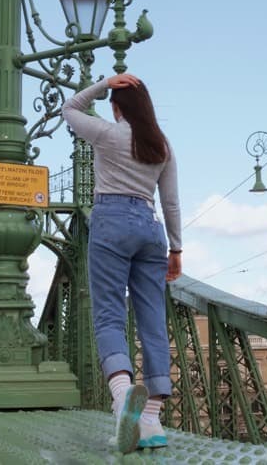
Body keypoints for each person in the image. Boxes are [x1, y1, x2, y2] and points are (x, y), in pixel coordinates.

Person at [62, 73, 182, 454]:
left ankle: (121, 395)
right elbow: (172, 202)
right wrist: (176, 249)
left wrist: (102, 83)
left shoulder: (107, 134)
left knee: (110, 315)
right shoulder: (160, 144)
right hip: (151, 228)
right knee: (152, 319)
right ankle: (151, 419)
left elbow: (69, 108)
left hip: (111, 221)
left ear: (116, 108)